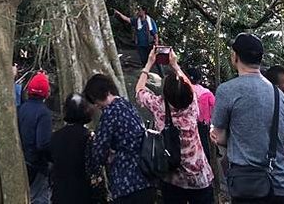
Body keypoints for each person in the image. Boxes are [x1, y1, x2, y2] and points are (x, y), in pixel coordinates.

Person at [211, 33, 284, 204]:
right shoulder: (279, 95)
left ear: (235, 56)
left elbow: (219, 136)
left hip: (248, 187)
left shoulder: (227, 90)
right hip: (281, 186)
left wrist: (220, 136)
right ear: (260, 59)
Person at [136, 49, 213, 203]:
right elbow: (189, 87)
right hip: (198, 175)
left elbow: (139, 90)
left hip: (172, 177)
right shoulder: (192, 104)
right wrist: (175, 65)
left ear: (164, 93)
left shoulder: (158, 106)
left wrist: (149, 63)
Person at [84, 73, 155, 204]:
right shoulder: (126, 105)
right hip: (145, 179)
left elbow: (98, 154)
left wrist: (109, 154)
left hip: (125, 183)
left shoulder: (109, 114)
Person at [50, 93, 107, 204]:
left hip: (60, 194)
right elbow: (95, 166)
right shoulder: (89, 138)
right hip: (84, 195)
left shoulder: (55, 137)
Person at [18, 72, 52, 204]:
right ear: (46, 93)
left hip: (21, 162)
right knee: (39, 199)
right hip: (36, 166)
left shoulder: (20, 108)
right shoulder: (44, 113)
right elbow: (42, 144)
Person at [186, 67, 215, 161]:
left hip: (189, 121)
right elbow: (215, 105)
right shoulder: (206, 93)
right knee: (204, 142)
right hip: (203, 122)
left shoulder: (185, 90)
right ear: (199, 79)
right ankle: (207, 162)